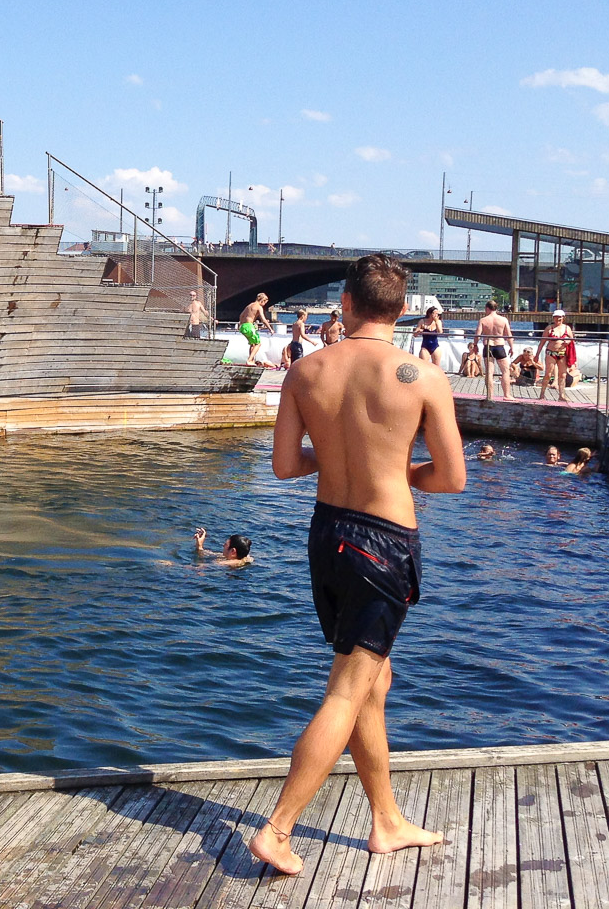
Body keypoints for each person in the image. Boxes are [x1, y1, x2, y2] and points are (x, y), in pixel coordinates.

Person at [250, 254, 464, 875]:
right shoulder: (420, 376)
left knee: (373, 679)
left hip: (327, 538)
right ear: (402, 310)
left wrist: (339, 457)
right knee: (348, 687)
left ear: (344, 303)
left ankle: (387, 821)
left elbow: (286, 467)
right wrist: (391, 466)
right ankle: (279, 829)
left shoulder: (304, 370)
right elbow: (451, 478)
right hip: (383, 541)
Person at [476, 300, 514, 401]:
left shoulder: (483, 320)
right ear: (496, 308)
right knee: (505, 371)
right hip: (499, 346)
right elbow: (508, 335)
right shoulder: (503, 320)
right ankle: (507, 395)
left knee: (489, 372)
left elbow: (478, 335)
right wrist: (511, 347)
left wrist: (475, 345)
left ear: (487, 308)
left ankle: (490, 395)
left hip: (488, 346)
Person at [538, 309, 574, 402]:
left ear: (563, 318)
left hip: (562, 354)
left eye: (560, 317)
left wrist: (568, 341)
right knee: (548, 374)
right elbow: (542, 341)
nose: (558, 319)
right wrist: (537, 354)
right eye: (556, 317)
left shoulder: (567, 328)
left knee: (563, 375)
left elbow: (572, 339)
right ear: (553, 318)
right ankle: (542, 394)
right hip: (551, 353)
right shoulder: (549, 328)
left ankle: (561, 395)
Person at [238, 293, 274, 367]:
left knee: (252, 344)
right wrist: (270, 329)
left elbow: (241, 315)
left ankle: (252, 360)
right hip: (249, 326)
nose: (264, 305)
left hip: (243, 326)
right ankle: (249, 360)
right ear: (262, 300)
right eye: (265, 303)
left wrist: (242, 324)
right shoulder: (259, 307)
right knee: (258, 344)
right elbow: (263, 319)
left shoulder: (249, 305)